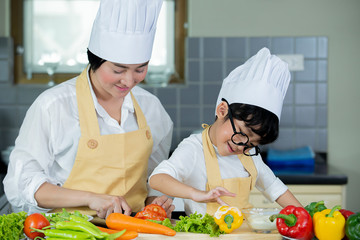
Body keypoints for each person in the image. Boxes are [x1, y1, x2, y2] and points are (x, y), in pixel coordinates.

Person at [3, 0, 175, 219]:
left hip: (133, 230)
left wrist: (156, 203)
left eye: (140, 69)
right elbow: (24, 183)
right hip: (68, 231)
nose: (129, 80)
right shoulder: (54, 106)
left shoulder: (151, 108)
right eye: (118, 70)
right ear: (95, 61)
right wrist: (91, 198)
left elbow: (154, 178)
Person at [149, 48, 302, 216]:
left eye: (252, 144)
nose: (241, 147)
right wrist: (196, 194)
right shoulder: (193, 150)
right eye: (242, 134)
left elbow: (275, 188)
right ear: (222, 110)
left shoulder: (250, 156)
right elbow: (157, 179)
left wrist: (305, 218)